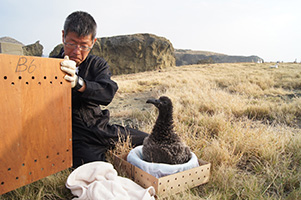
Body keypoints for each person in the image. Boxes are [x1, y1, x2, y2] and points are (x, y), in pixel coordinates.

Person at [52, 11, 148, 168]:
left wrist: (79, 83)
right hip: (74, 136)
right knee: (96, 170)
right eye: (71, 43)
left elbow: (107, 92)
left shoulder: (98, 64)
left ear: (93, 42)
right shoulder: (48, 66)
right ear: (63, 36)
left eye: (84, 46)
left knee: (148, 140)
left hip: (101, 127)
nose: (77, 51)